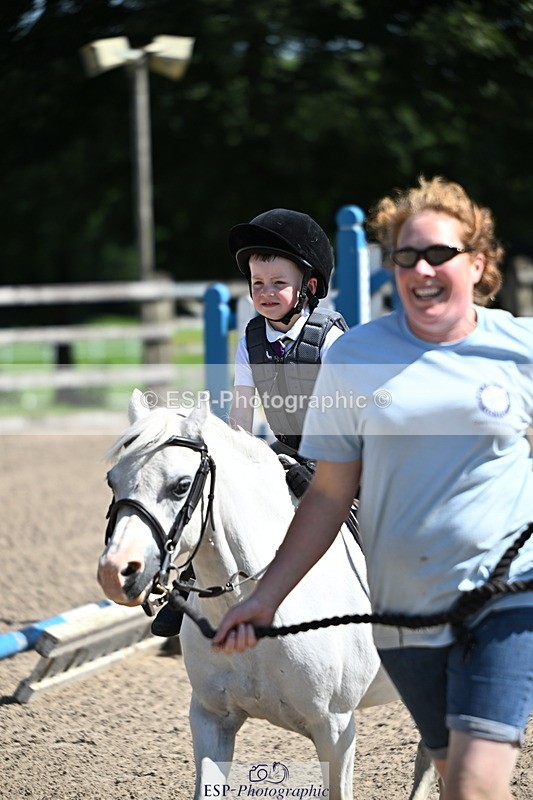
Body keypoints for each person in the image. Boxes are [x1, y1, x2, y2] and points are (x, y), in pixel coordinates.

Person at [213, 177, 533, 800]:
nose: (421, 269)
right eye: (407, 256)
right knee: (451, 770)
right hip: (386, 573)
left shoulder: (338, 342)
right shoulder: (314, 348)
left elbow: (346, 480)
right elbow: (241, 427)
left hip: (501, 588)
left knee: (474, 781)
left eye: (439, 254)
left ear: (478, 263)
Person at [151, 208, 348, 637]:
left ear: (309, 287)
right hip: (286, 450)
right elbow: (241, 417)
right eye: (258, 284)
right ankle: (186, 589)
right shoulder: (250, 341)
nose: (266, 292)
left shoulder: (331, 340)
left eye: (279, 283)